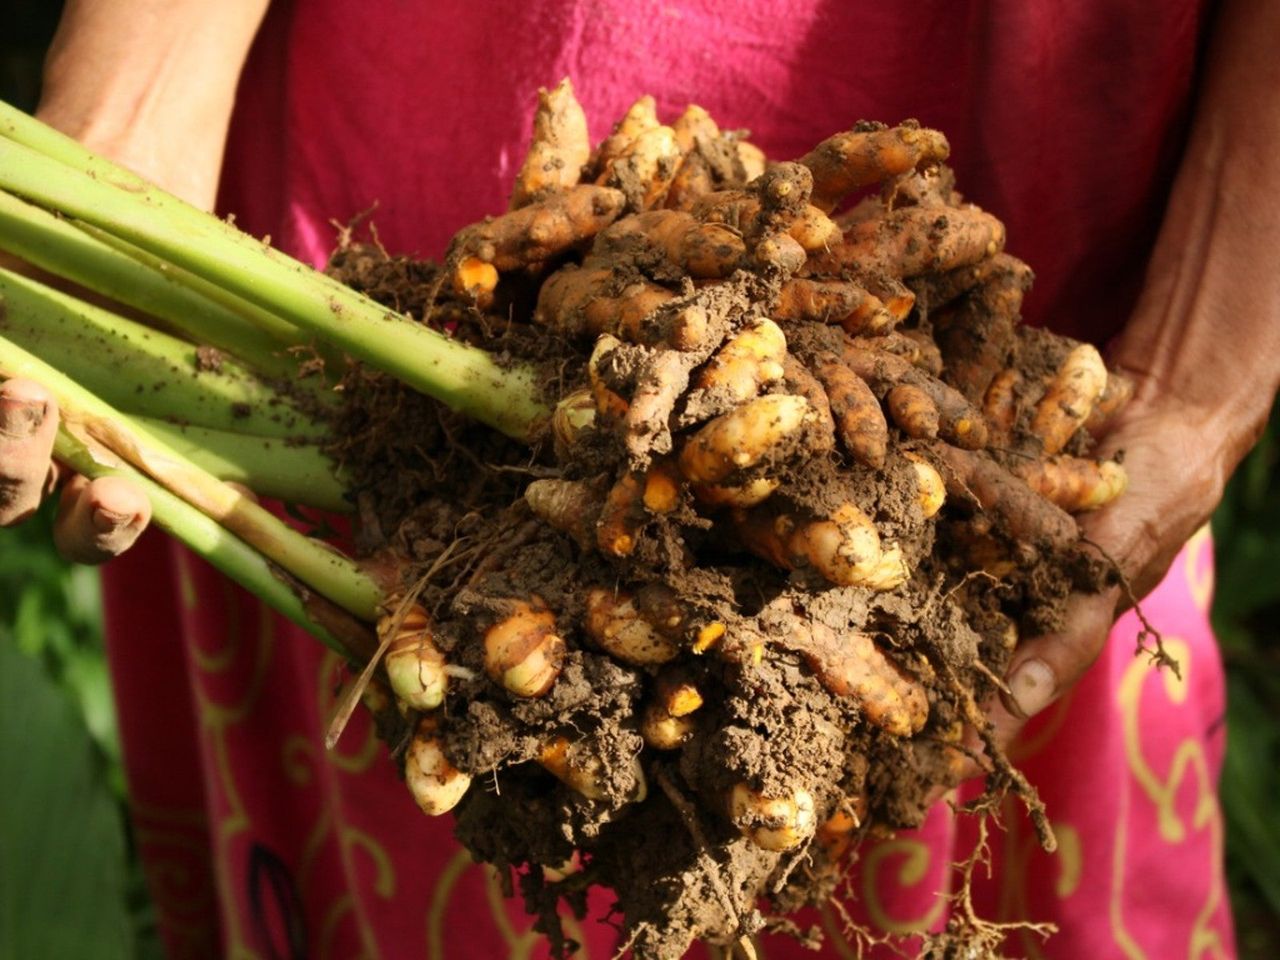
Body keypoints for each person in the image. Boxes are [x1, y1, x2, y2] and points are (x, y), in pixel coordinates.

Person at [4, 0, 1274, 955]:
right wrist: (127, 130)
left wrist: (1209, 367)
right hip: (342, 284)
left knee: (969, 694)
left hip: (1056, 303)